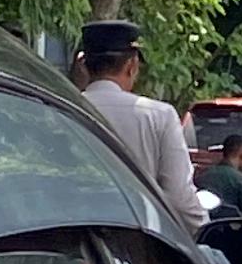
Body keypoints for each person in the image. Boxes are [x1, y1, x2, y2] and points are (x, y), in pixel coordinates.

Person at [70, 19, 194, 212]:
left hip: (70, 232)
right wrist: (203, 233)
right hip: (139, 236)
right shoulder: (159, 116)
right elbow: (179, 198)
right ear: (132, 65)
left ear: (83, 66)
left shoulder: (63, 110)